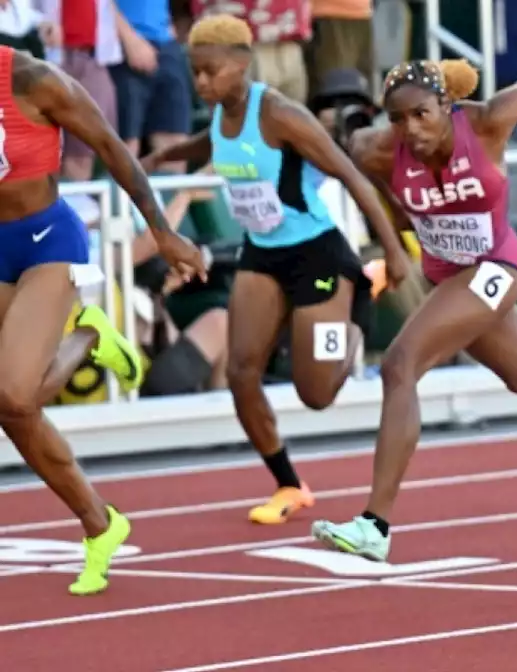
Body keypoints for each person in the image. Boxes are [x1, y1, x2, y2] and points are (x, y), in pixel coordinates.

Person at [308, 50, 517, 560]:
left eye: (422, 113)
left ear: (447, 104)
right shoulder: (375, 150)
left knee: (400, 367)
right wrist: (398, 231)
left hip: (497, 267)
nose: (411, 128)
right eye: (398, 118)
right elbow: (366, 183)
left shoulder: (490, 120)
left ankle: (374, 524)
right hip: (448, 274)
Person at [139, 14, 412, 525]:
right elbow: (207, 145)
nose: (201, 83)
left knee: (317, 393)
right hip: (262, 255)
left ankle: (361, 295)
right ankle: (289, 483)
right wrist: (157, 160)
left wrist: (394, 250)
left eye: (210, 72)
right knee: (243, 373)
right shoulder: (220, 114)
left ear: (242, 64)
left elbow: (349, 173)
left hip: (318, 257)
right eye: (195, 73)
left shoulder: (281, 114)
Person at [0, 43, 207, 594]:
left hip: (46, 240)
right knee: (13, 415)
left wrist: (162, 232)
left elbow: (112, 149)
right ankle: (100, 523)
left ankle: (90, 331)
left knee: (15, 397)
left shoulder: (33, 80)